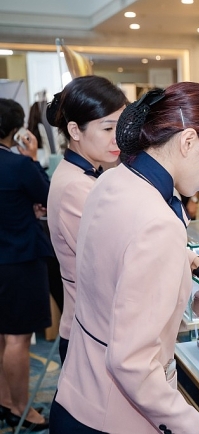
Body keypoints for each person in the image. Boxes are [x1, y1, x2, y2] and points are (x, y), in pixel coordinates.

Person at [49, 83, 199, 434]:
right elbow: (131, 362)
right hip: (113, 417)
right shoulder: (158, 223)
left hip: (78, 394)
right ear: (188, 142)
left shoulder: (112, 180)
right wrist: (198, 428)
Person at [46, 75, 128, 364]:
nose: (117, 138)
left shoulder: (85, 175)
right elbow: (114, 259)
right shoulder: (76, 186)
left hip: (92, 324)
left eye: (120, 127)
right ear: (74, 131)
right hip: (90, 331)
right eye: (107, 128)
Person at [0, 98, 51, 431]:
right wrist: (32, 158)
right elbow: (48, 195)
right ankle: (20, 408)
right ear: (16, 129)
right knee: (17, 338)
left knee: (1, 336)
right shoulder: (18, 165)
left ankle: (5, 400)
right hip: (18, 259)